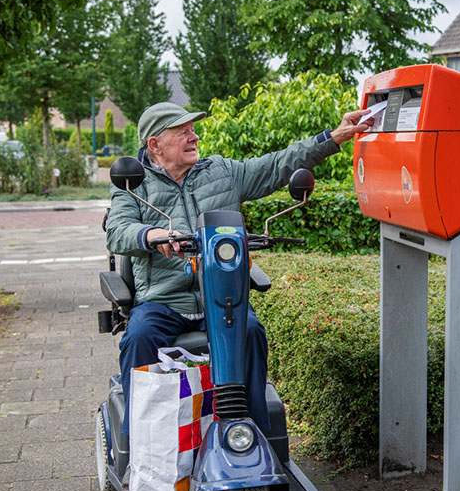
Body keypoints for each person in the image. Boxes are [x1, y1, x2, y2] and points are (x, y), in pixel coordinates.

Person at [105, 102, 371, 436]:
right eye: (183, 132)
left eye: (193, 130)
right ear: (155, 145)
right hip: (163, 301)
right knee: (139, 337)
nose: (194, 137)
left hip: (221, 298)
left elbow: (277, 164)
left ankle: (254, 436)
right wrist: (150, 234)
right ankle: (140, 446)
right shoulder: (134, 186)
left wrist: (333, 137)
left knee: (250, 332)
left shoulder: (221, 172)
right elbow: (117, 230)